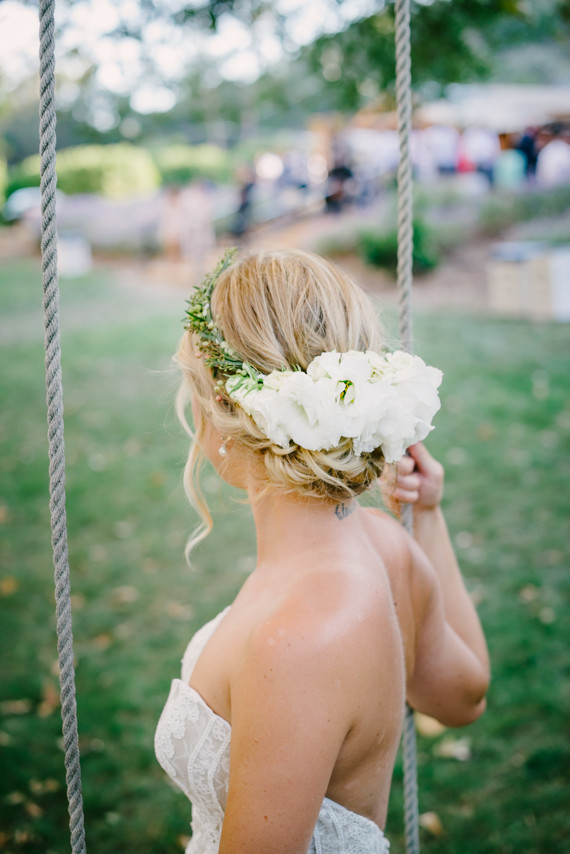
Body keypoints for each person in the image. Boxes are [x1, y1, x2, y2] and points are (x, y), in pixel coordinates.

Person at [155, 249, 490, 854]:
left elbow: (463, 701)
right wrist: (428, 519)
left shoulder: (298, 640)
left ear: (225, 413)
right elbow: (464, 696)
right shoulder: (384, 545)